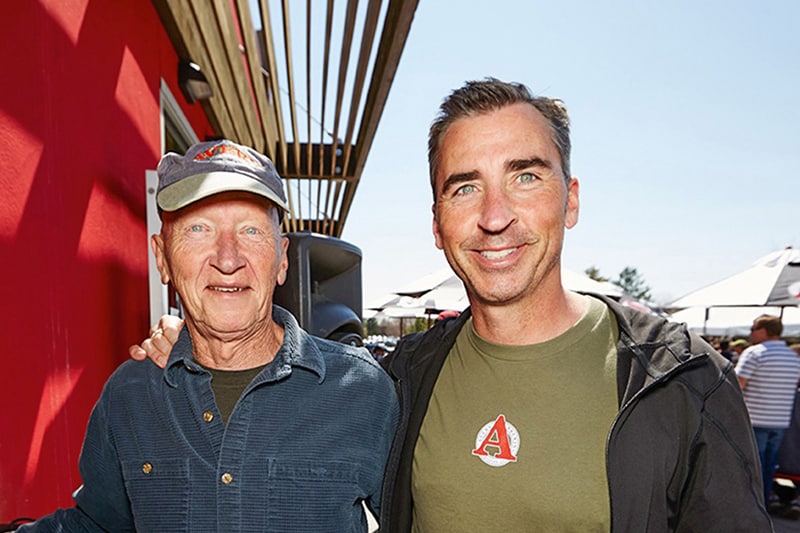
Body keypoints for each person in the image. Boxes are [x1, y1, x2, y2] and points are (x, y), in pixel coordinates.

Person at [133, 80, 771, 531]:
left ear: (570, 199)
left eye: (525, 176)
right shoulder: (398, 379)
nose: (495, 217)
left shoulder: (682, 382)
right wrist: (201, 347)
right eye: (465, 187)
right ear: (437, 223)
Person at [20, 139, 398, 531]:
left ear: (282, 259)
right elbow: (97, 526)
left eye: (250, 230)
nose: (228, 258)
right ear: (162, 257)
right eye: (198, 229)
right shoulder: (129, 396)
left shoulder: (362, 389)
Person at [736, 314, 800, 507]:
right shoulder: (793, 357)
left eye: (752, 329)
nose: (750, 333)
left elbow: (738, 385)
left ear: (763, 331)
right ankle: (763, 503)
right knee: (769, 466)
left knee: (752, 466)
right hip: (780, 421)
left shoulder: (754, 353)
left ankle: (753, 507)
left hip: (755, 419)